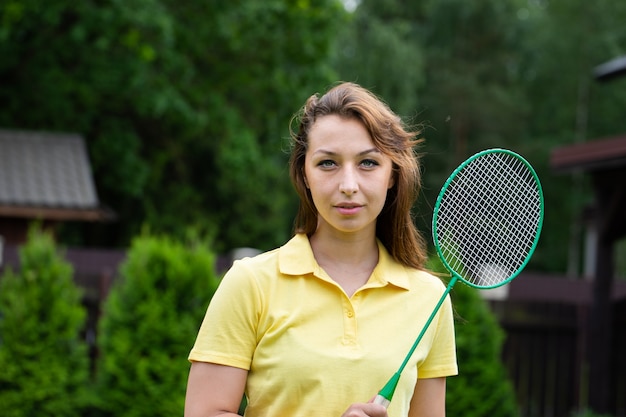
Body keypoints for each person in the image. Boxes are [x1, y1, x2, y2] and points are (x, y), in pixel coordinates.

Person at [184, 82, 458, 417]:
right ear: (304, 174)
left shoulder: (429, 298)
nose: (348, 185)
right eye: (328, 163)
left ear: (392, 175)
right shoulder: (250, 283)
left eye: (368, 163)